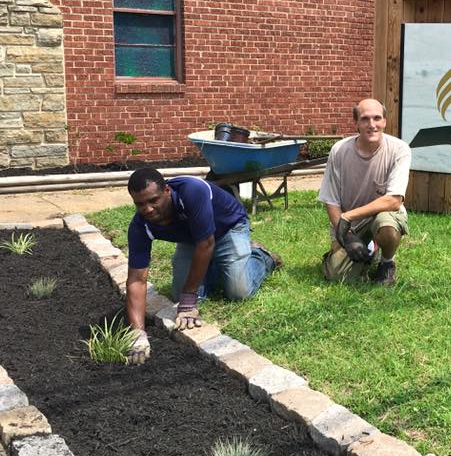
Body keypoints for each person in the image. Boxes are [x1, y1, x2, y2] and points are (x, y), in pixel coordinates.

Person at [123, 168, 281, 364]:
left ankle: (262, 257)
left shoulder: (192, 190)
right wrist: (137, 334)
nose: (147, 209)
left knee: (238, 291)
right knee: (178, 293)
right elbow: (137, 279)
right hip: (193, 239)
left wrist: (189, 300)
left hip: (228, 228)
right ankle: (215, 264)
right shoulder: (140, 226)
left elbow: (206, 243)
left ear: (167, 191)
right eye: (140, 204)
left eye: (153, 200)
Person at [317, 98, 411, 286]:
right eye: (365, 119)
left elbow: (394, 200)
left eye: (377, 118)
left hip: (381, 217)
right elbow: (331, 200)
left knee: (387, 226)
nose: (372, 125)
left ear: (385, 121)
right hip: (350, 224)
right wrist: (347, 235)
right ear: (356, 123)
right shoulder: (339, 151)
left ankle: (387, 263)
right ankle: (366, 249)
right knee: (337, 275)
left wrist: (348, 217)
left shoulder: (399, 149)